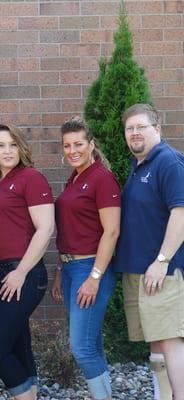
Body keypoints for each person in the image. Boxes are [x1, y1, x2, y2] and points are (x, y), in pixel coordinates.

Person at [114, 103, 184, 400]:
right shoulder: (140, 165)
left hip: (162, 272)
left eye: (141, 126)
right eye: (130, 128)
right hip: (139, 271)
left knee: (170, 342)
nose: (134, 133)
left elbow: (181, 212)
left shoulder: (168, 161)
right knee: (156, 345)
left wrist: (161, 260)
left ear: (157, 129)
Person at [0, 124, 54, 400]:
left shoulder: (30, 178)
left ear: (21, 147)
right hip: (0, 273)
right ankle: (30, 393)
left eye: (13, 144)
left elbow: (45, 229)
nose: (7, 150)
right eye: (1, 145)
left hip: (22, 272)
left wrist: (21, 272)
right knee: (18, 341)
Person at [50, 117, 120, 400]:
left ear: (91, 144)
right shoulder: (75, 177)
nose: (72, 150)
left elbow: (112, 231)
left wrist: (94, 277)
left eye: (78, 144)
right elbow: (71, 229)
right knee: (92, 343)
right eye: (67, 145)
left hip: (90, 268)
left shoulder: (101, 177)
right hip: (70, 268)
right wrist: (59, 271)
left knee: (81, 347)